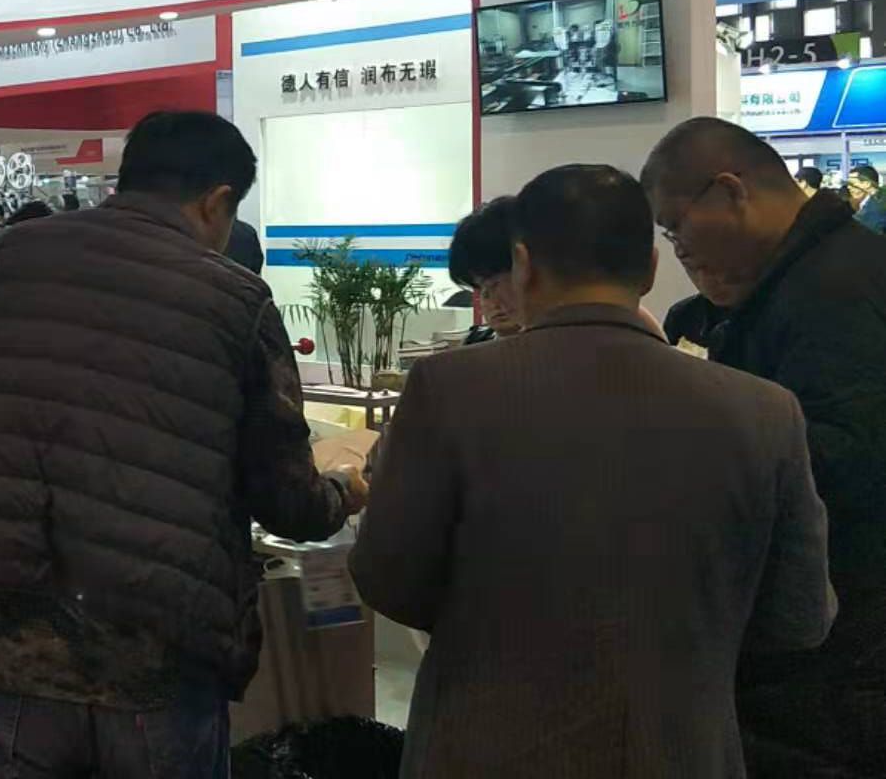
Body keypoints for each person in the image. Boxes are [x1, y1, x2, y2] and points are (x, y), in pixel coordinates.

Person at [355, 164, 835, 777]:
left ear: (523, 263)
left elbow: (387, 578)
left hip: (485, 743)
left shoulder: (448, 390)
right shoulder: (765, 411)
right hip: (680, 748)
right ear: (651, 269)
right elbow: (798, 617)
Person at [0, 111, 366, 777]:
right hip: (156, 664)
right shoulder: (235, 298)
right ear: (216, 201)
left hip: (11, 650)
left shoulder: (14, 261)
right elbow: (287, 501)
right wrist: (345, 491)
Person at [643, 117, 886, 775]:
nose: (677, 251)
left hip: (840, 646)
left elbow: (841, 458)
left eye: (676, 228)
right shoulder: (781, 286)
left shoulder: (836, 291)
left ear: (730, 192)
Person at [447, 195, 521, 341]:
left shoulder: (559, 343)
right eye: (485, 292)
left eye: (495, 285)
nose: (495, 302)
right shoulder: (474, 344)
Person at [848, 164, 886, 232]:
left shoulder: (875, 209)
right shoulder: (874, 201)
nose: (848, 187)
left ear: (867, 184)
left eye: (852, 184)